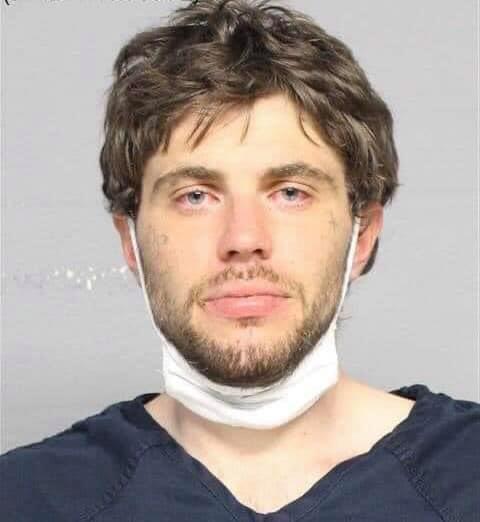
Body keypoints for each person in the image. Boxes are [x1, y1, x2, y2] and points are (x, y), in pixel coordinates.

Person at [1, 0, 479, 520]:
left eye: (290, 192)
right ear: (131, 242)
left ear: (362, 235)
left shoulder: (466, 478)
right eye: (195, 196)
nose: (244, 238)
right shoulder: (28, 498)